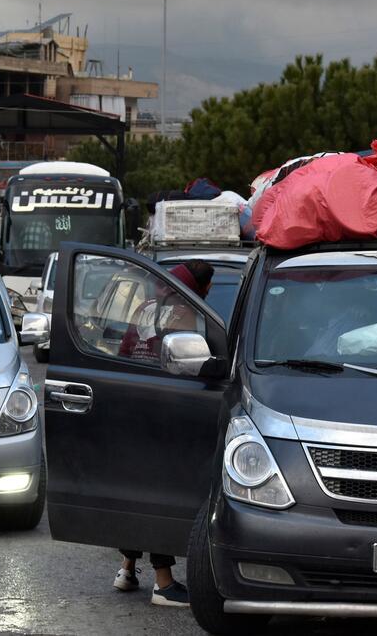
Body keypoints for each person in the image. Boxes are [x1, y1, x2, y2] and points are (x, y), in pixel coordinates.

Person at [114, 259, 214, 607]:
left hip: (133, 405)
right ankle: (163, 582)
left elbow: (124, 351)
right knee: (160, 492)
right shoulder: (187, 314)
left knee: (139, 490)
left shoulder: (145, 307)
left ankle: (127, 567)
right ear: (204, 288)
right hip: (165, 413)